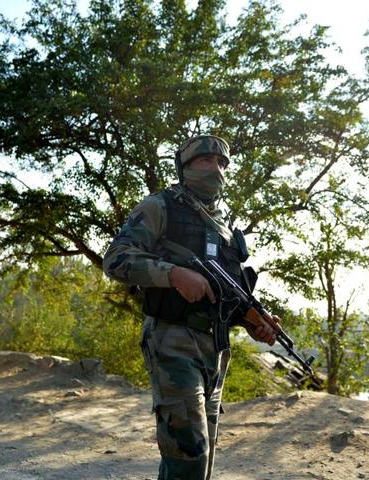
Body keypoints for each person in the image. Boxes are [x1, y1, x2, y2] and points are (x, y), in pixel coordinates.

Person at [103, 134, 280, 480]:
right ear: (184, 168)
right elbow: (116, 260)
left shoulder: (225, 225)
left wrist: (251, 318)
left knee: (201, 459)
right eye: (205, 161)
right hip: (173, 341)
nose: (215, 169)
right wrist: (172, 274)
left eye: (222, 163)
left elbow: (226, 292)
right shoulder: (159, 207)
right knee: (189, 455)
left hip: (214, 350)